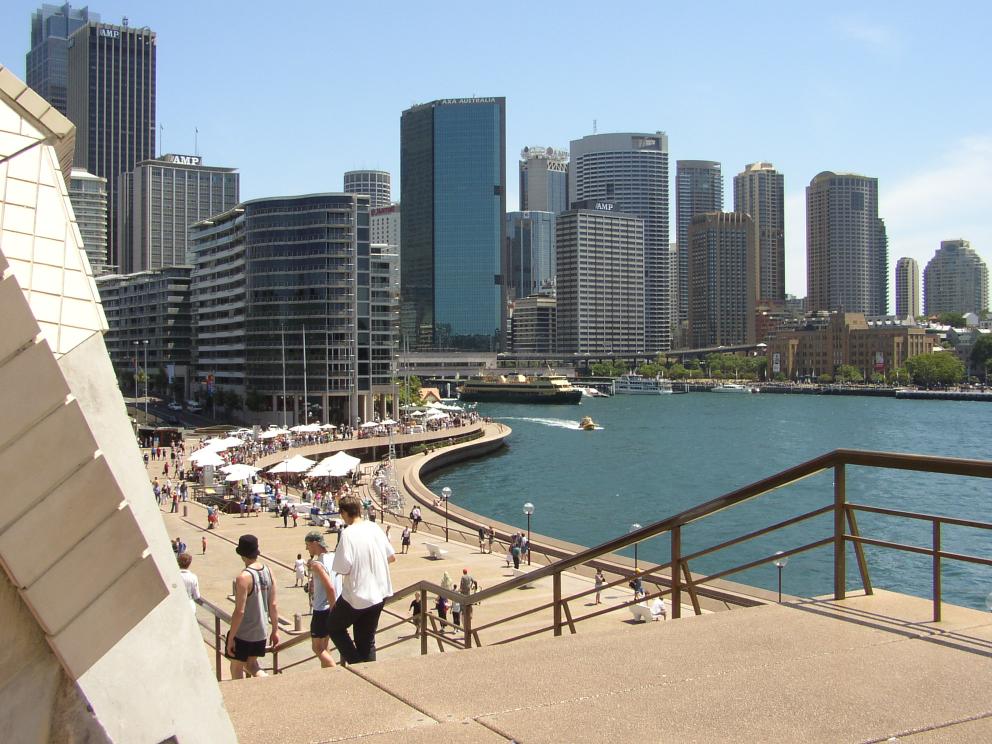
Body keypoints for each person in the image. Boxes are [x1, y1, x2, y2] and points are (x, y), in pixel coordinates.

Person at [328, 494, 396, 664]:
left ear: (344, 512)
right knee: (366, 640)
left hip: (357, 596)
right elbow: (391, 557)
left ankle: (357, 664)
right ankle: (368, 675)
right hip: (380, 593)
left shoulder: (347, 534)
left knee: (333, 627)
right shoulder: (374, 527)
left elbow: (343, 568)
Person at [226, 535, 279, 679]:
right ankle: (268, 683)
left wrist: (231, 637)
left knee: (236, 665)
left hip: (244, 632)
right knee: (251, 665)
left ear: (242, 555)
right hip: (261, 630)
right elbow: (273, 604)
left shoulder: (243, 577)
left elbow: (239, 611)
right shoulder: (269, 571)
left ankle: (240, 698)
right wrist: (275, 630)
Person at [305, 531, 341, 668]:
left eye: (308, 545)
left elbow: (330, 587)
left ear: (315, 544)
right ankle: (327, 675)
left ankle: (334, 671)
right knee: (325, 646)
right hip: (334, 604)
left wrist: (333, 612)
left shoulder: (318, 564)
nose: (307, 548)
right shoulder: (334, 557)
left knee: (317, 647)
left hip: (322, 610)